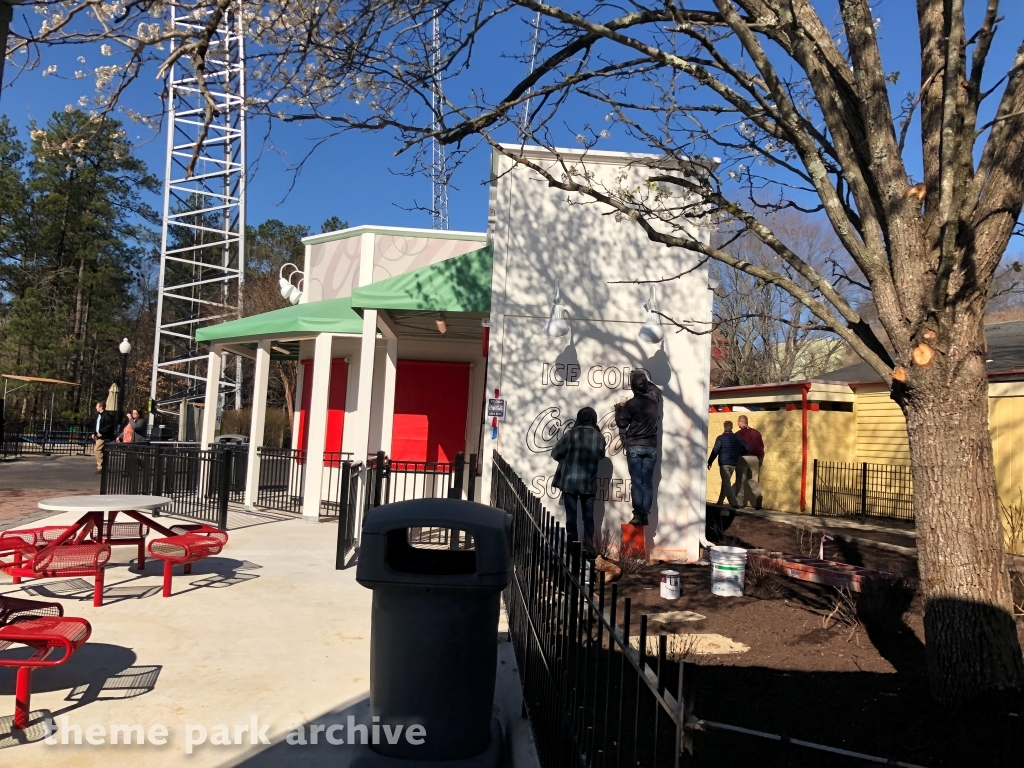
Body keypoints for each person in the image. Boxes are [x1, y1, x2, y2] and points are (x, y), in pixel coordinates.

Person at [551, 407, 606, 557]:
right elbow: (601, 456)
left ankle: (573, 549)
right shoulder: (599, 437)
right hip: (589, 483)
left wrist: (567, 458)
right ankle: (589, 549)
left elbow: (555, 453)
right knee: (588, 519)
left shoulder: (571, 434)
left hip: (570, 482)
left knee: (571, 518)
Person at [615, 370, 662, 526]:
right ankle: (645, 514)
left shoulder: (632, 404)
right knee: (647, 483)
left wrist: (618, 410)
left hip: (635, 445)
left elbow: (622, 424)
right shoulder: (654, 399)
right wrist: (642, 378)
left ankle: (637, 515)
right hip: (651, 446)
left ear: (633, 387)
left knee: (636, 482)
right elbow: (656, 388)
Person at [708, 421, 745, 508]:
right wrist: (738, 453)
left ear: (724, 427)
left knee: (726, 482)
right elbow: (746, 447)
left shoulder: (721, 438)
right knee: (726, 482)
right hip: (734, 463)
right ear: (732, 427)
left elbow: (715, 451)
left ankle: (734, 503)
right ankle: (720, 501)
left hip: (724, 463)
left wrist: (710, 461)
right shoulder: (737, 438)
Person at [734, 414, 764, 509]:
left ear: (741, 422)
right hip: (754, 458)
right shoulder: (756, 433)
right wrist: (759, 457)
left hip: (742, 458)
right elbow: (761, 446)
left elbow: (735, 448)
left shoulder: (738, 434)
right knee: (754, 480)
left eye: (738, 421)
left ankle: (740, 503)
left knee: (741, 480)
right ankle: (758, 495)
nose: (738, 423)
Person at [91, 402, 116, 472]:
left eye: (97, 406)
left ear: (101, 407)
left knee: (97, 450)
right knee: (102, 451)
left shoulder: (107, 416)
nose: (96, 407)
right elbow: (96, 425)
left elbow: (109, 426)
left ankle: (100, 466)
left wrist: (102, 432)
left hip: (103, 436)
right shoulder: (98, 415)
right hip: (98, 435)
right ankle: (104, 466)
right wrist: (94, 433)